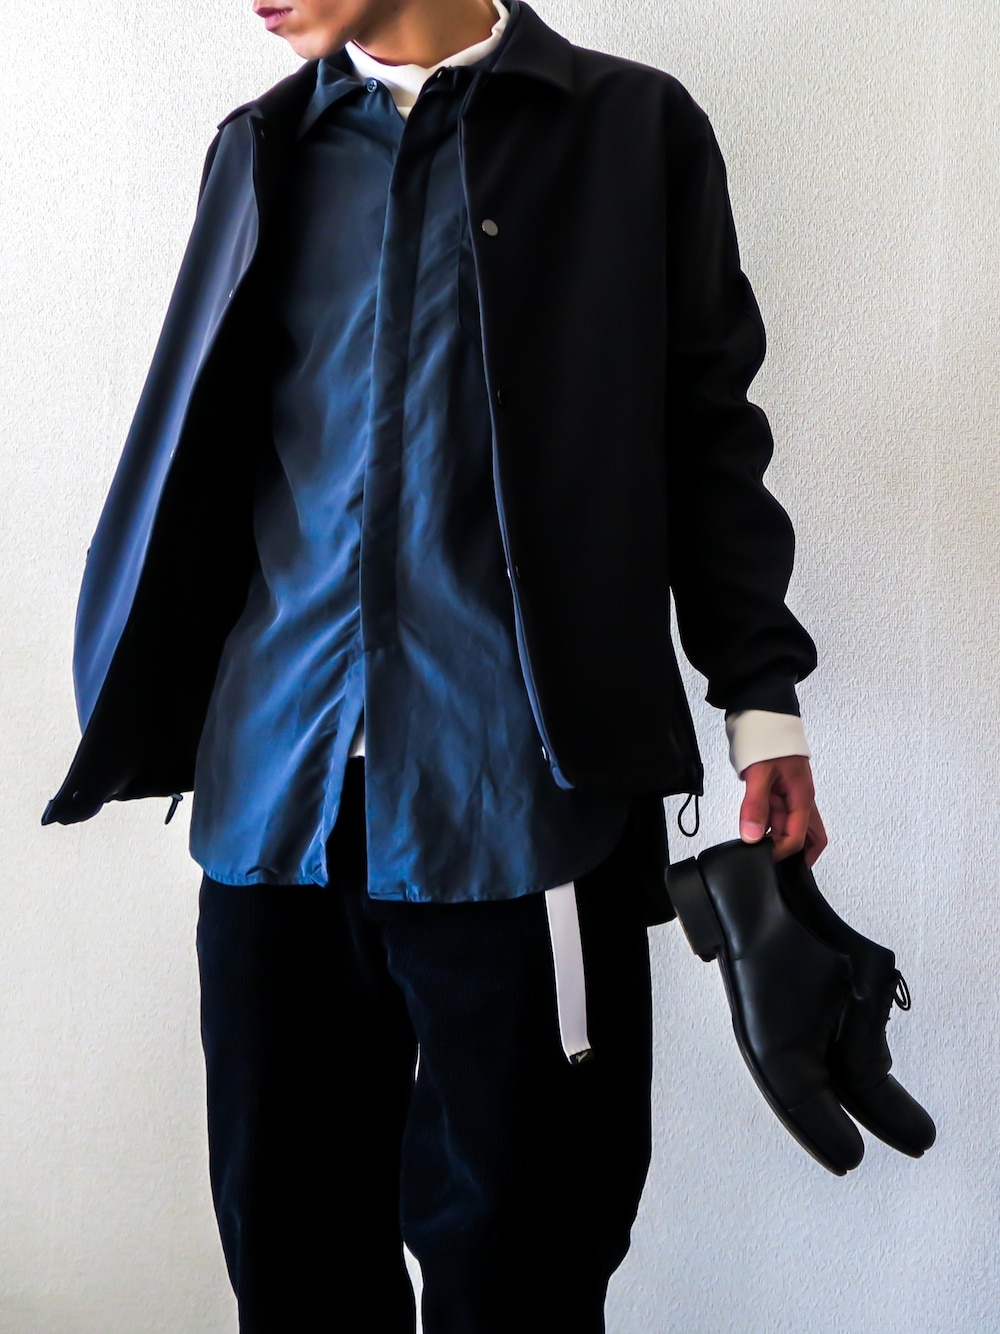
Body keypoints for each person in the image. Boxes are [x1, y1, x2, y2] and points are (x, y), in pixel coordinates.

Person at [42, 0, 826, 1328]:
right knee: (290, 1255)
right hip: (279, 815)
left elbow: (706, 431)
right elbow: (213, 451)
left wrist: (761, 700)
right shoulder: (261, 147)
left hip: (519, 809)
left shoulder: (630, 131)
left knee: (525, 1262)